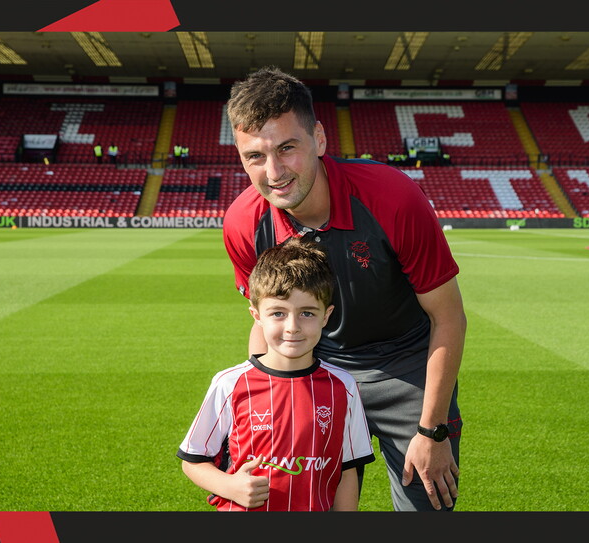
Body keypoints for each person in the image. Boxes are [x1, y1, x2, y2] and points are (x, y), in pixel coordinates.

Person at [222, 66, 466, 512]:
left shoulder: (392, 197)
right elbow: (266, 322)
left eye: (287, 148)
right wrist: (261, 406)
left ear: (319, 138)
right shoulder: (243, 223)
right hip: (316, 368)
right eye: (254, 156)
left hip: (406, 366)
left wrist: (433, 430)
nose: (273, 171)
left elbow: (448, 317)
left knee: (427, 507)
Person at [177, 237, 375, 511]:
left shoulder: (342, 386)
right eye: (278, 313)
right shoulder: (231, 383)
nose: (292, 326)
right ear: (256, 315)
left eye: (307, 313)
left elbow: (347, 470)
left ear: (326, 316)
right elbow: (194, 459)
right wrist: (229, 486)